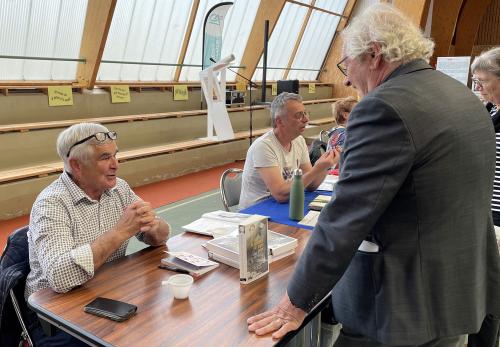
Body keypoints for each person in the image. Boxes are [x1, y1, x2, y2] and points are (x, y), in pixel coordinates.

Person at [247, 4, 500, 347]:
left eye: (347, 64)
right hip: (456, 295)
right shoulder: (464, 97)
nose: (348, 78)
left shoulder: (384, 106)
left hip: (400, 310)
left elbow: (345, 218)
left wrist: (294, 304)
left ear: (374, 54)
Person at [24, 122, 170, 345]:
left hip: (106, 294)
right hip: (54, 316)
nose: (115, 165)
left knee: (159, 322)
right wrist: (121, 231)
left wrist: (154, 227)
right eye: (104, 158)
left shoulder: (118, 188)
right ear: (77, 165)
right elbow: (60, 278)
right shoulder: (51, 204)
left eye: (115, 155)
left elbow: (160, 236)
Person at [239, 92, 338, 209]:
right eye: (298, 115)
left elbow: (311, 185)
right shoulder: (263, 146)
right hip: (257, 213)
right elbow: (281, 194)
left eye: (305, 113)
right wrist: (317, 168)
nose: (306, 119)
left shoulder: (299, 141)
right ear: (279, 121)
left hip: (283, 204)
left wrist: (324, 166)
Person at [469, 46, 500, 347]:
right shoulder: (489, 112)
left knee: (491, 297)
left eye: (482, 81)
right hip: (484, 214)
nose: (478, 88)